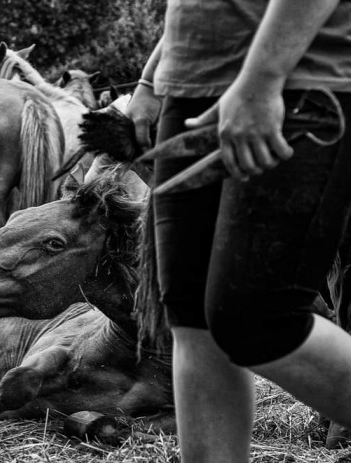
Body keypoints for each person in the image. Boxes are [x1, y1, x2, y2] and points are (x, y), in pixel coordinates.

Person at [124, 1, 351, 462]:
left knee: (256, 317)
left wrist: (262, 77)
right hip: (192, 83)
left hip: (298, 79)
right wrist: (152, 78)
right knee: (192, 320)